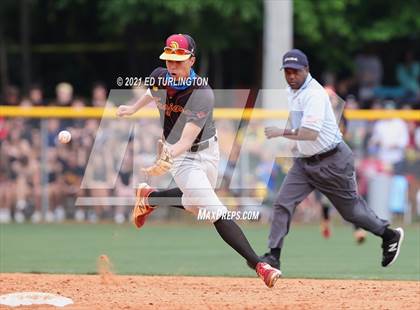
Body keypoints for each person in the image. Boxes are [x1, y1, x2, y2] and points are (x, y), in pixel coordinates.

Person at [116, 34, 281, 287]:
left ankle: (150, 197)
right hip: (183, 159)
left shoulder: (202, 94)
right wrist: (134, 108)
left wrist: (168, 153)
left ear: (192, 60)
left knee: (195, 205)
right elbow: (153, 91)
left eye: (179, 60)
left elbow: (188, 136)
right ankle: (259, 264)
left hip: (208, 152)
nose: (172, 65)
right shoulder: (160, 75)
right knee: (214, 209)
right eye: (169, 59)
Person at [256, 49, 404, 270]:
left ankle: (388, 234)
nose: (291, 75)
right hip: (305, 162)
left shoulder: (314, 94)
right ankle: (273, 256)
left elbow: (310, 133)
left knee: (350, 212)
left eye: (296, 71)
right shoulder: (292, 90)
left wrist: (280, 132)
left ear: (306, 70)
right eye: (287, 71)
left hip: (332, 160)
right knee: (283, 203)